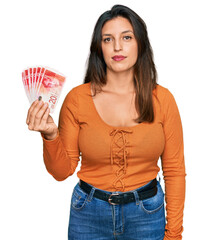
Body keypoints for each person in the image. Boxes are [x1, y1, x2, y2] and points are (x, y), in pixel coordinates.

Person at [26, 4, 186, 240]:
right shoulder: (77, 99)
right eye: (108, 39)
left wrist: (174, 234)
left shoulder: (163, 99)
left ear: (140, 43)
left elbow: (174, 171)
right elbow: (62, 172)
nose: (117, 47)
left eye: (127, 37)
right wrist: (50, 135)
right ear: (98, 47)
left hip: (147, 214)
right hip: (88, 215)